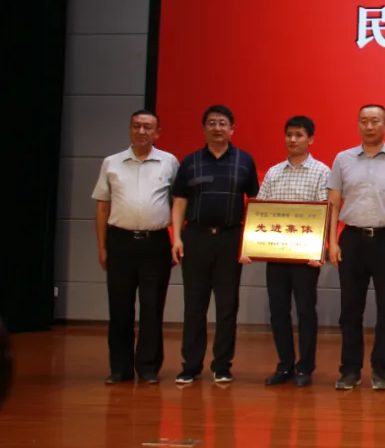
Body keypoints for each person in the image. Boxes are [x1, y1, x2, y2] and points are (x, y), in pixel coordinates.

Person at [328, 105, 385, 391]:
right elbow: (333, 203)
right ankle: (350, 370)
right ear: (358, 125)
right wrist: (332, 241)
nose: (369, 126)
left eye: (375, 121)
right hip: (352, 240)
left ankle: (381, 370)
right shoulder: (342, 160)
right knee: (350, 308)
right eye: (364, 121)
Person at [172, 105, 259, 385]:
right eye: (212, 123)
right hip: (195, 238)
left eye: (223, 123)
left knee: (227, 306)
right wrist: (176, 238)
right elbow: (180, 202)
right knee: (194, 305)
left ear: (232, 129)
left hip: (230, 239)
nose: (217, 128)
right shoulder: (190, 161)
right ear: (204, 128)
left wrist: (249, 242)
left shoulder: (244, 161)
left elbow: (255, 203)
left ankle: (222, 365)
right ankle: (191, 366)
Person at [91, 109, 179, 385]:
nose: (141, 131)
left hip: (156, 244)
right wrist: (102, 247)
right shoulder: (112, 163)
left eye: (147, 127)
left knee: (152, 308)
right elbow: (102, 207)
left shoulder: (169, 162)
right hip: (120, 242)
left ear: (157, 133)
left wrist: (177, 240)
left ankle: (148, 367)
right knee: (120, 308)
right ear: (130, 129)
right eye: (136, 126)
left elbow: (178, 204)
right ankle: (120, 368)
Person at [247, 116, 330, 388]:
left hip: (306, 257)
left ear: (310, 139)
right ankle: (284, 365)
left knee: (305, 311)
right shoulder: (273, 172)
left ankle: (305, 367)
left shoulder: (322, 172)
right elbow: (260, 211)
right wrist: (250, 246)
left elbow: (325, 213)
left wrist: (319, 250)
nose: (293, 140)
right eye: (289, 134)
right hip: (276, 255)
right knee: (278, 311)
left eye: (299, 135)